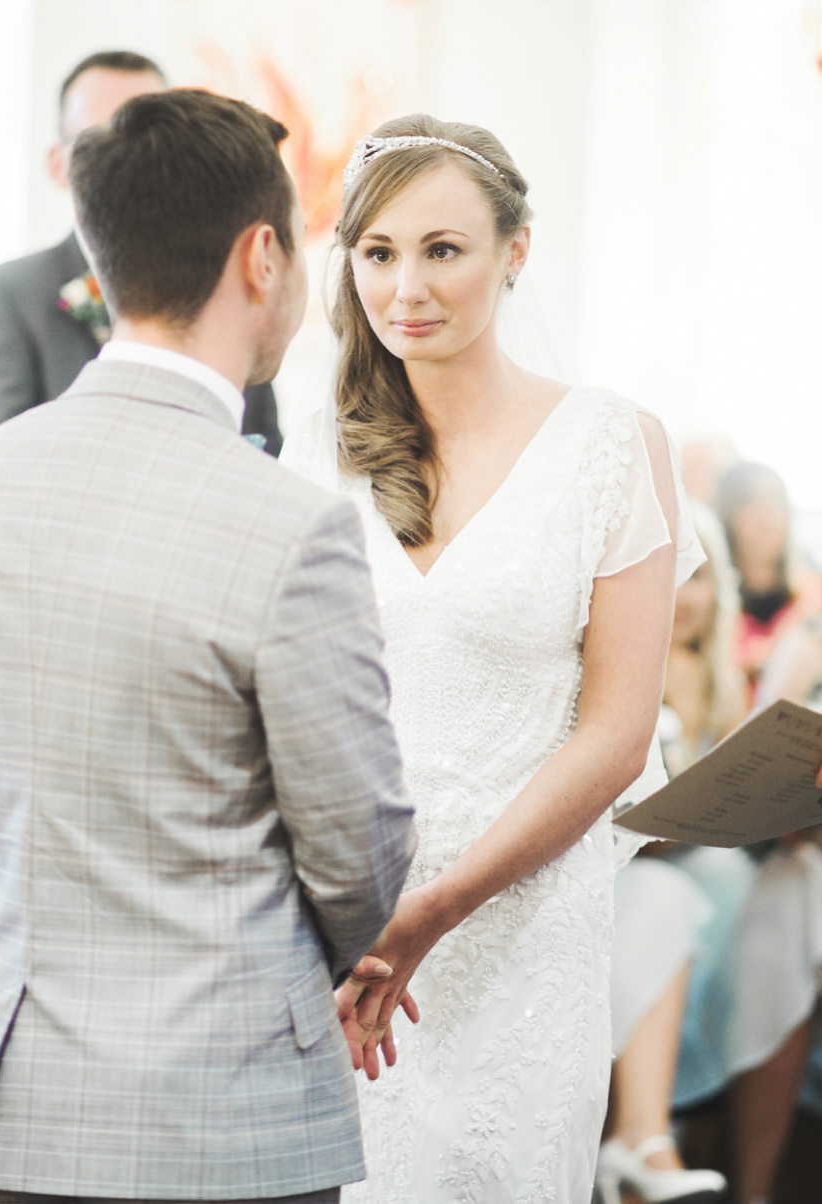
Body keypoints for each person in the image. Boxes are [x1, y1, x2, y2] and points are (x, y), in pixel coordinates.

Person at [0, 89, 416, 1204]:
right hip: (221, 1120)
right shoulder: (287, 523)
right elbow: (356, 852)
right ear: (262, 255)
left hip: (8, 1109)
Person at [281, 113, 702, 1202]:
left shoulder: (614, 445)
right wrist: (356, 907)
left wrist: (435, 908)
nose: (404, 287)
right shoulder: (320, 451)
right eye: (377, 253)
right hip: (350, 915)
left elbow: (615, 735)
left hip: (522, 920)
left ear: (515, 252)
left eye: (442, 249)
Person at [0, 50, 285, 456]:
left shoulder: (229, 286)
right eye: (100, 140)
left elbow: (266, 454)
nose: (132, 161)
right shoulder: (0, 299)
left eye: (155, 142)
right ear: (58, 165)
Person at [599, 503, 744, 1204]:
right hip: (623, 865)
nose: (686, 596)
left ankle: (650, 1138)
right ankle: (645, 1135)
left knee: (758, 881)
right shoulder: (618, 663)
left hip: (699, 863)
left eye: (701, 580)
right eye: (676, 575)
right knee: (684, 893)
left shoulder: (720, 683)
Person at [713, 460, 822, 698]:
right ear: (728, 514)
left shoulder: (813, 593)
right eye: (750, 502)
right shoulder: (709, 601)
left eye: (774, 501)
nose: (766, 514)